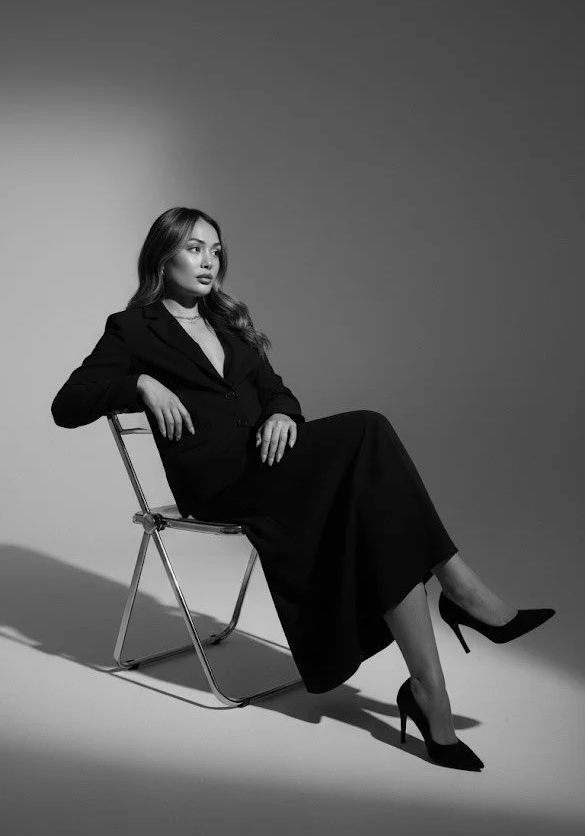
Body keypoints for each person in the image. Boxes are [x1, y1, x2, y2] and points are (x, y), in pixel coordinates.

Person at [51, 206, 555, 772]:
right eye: (194, 248)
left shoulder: (228, 324)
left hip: (272, 467)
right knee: (368, 429)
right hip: (220, 484)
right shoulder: (133, 328)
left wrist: (285, 416)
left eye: (216, 251)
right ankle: (466, 596)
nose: (209, 261)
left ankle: (430, 694)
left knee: (376, 511)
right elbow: (66, 405)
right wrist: (139, 382)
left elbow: (277, 392)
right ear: (162, 255)